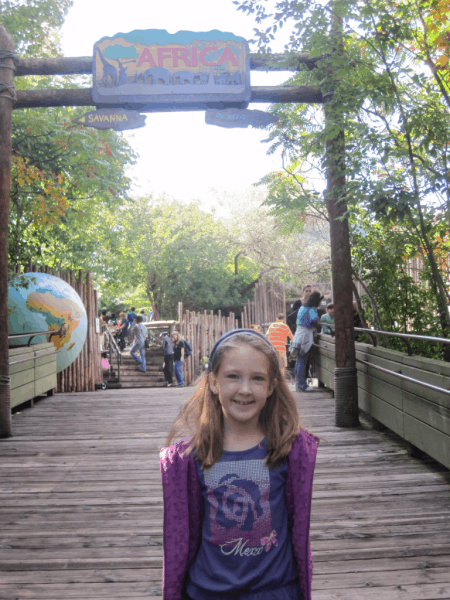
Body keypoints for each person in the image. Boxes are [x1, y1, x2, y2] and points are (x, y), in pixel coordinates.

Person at [160, 329, 319, 600]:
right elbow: (181, 535)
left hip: (274, 591)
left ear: (271, 387)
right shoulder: (190, 457)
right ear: (213, 382)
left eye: (257, 379)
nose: (245, 389)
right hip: (208, 592)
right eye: (233, 376)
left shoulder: (288, 450)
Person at [293, 291, 323, 392]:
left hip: (299, 334)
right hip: (305, 336)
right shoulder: (311, 309)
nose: (320, 303)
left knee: (299, 360)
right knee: (303, 361)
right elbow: (315, 320)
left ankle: (298, 383)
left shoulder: (302, 307)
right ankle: (302, 385)